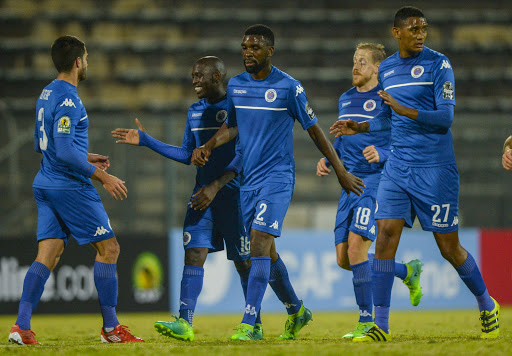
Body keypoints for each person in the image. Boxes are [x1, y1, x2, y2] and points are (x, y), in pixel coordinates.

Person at [331, 7, 500, 341]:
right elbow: (387, 120)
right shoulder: (389, 68)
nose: (420, 33)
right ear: (397, 33)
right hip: (397, 168)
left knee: (449, 248)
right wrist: (360, 125)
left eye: (424, 28)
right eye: (413, 29)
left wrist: (402, 109)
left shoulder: (440, 65)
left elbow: (444, 118)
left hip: (435, 169)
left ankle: (486, 303)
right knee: (385, 237)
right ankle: (380, 325)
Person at [192, 24, 364, 341]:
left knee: (257, 243)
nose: (247, 53)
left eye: (255, 47)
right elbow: (232, 126)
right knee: (267, 254)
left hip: (277, 178)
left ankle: (249, 323)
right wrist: (208, 145)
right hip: (248, 181)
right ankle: (297, 310)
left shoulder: (288, 88)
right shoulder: (237, 86)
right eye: (244, 47)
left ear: (270, 51)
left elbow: (314, 130)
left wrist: (339, 169)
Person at [111, 56, 263, 341]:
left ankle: (253, 322)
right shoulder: (194, 111)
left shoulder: (237, 108)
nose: (194, 81)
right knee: (193, 254)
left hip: (233, 196)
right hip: (202, 193)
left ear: (217, 77)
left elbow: (244, 156)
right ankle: (185, 321)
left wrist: (216, 186)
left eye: (199, 76)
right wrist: (146, 140)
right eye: (193, 75)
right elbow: (185, 154)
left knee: (244, 262)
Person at [8, 35, 144, 345]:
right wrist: (102, 176)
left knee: (49, 253)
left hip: (45, 182)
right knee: (109, 249)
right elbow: (66, 153)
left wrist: (87, 154)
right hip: (69, 186)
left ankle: (21, 326)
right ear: (78, 62)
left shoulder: (46, 93)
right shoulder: (69, 97)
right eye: (87, 57)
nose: (88, 62)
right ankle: (111, 329)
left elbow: (45, 145)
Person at [316, 43, 423, 339]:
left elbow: (404, 140)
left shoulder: (387, 101)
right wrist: (329, 158)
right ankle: (405, 271)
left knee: (356, 248)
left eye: (362, 62)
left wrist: (384, 153)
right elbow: (339, 140)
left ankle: (367, 320)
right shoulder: (346, 98)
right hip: (348, 184)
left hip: (376, 183)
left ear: (376, 68)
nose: (355, 66)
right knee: (344, 259)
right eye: (353, 61)